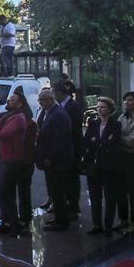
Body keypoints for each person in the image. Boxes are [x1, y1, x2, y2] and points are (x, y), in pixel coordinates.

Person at [0, 91, 29, 234]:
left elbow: (2, 134)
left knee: (6, 193)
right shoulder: (10, 115)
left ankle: (14, 224)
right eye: (9, 99)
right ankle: (7, 222)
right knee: (3, 192)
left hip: (12, 160)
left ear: (20, 104)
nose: (8, 101)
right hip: (6, 158)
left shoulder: (18, 118)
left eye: (11, 100)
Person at [83, 97, 123, 235]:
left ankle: (108, 226)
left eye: (103, 107)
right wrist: (101, 142)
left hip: (109, 165)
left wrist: (98, 142)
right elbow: (87, 141)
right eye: (98, 107)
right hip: (94, 164)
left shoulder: (116, 125)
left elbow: (112, 144)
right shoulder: (93, 123)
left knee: (110, 196)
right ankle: (96, 224)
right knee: (95, 196)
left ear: (110, 109)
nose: (99, 109)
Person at [36, 88, 74, 231]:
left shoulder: (58, 114)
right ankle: (59, 218)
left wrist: (50, 157)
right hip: (50, 159)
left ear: (51, 99)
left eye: (43, 99)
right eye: (39, 100)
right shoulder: (47, 112)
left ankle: (62, 221)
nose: (41, 102)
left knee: (58, 191)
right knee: (55, 191)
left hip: (57, 160)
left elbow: (60, 139)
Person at [55, 81, 85, 223]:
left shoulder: (73, 107)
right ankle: (66, 204)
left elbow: (75, 130)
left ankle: (73, 207)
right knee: (64, 179)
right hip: (63, 148)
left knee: (72, 178)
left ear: (60, 93)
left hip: (73, 147)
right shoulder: (60, 106)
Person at [116, 91, 134, 232]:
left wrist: (119, 135)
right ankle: (123, 219)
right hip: (122, 156)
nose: (126, 103)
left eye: (130, 100)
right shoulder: (122, 117)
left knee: (133, 189)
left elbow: (132, 140)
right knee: (120, 190)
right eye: (125, 100)